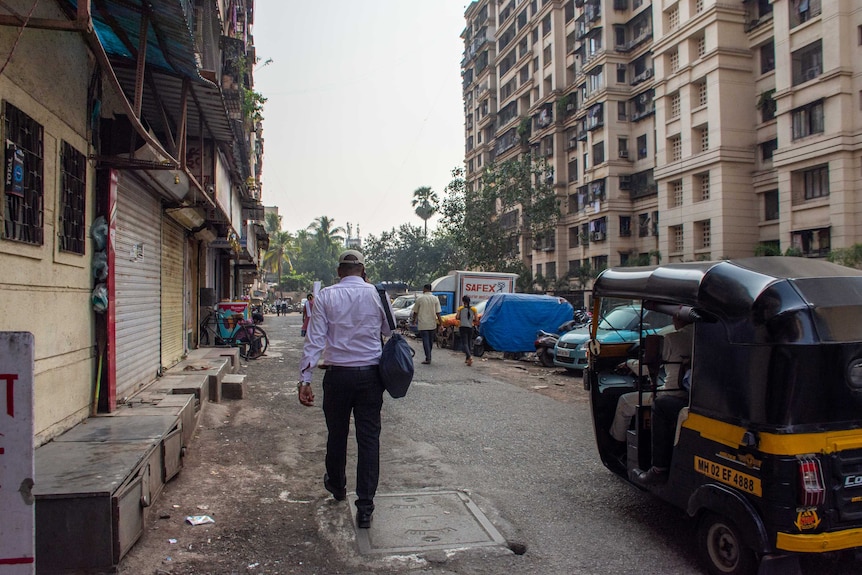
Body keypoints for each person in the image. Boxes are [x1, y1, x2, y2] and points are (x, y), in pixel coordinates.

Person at [297, 250, 393, 529]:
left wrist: (305, 379)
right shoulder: (378, 294)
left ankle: (338, 486)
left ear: (339, 271)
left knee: (337, 435)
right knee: (369, 439)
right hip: (370, 377)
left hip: (337, 376)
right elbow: (390, 330)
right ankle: (365, 507)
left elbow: (314, 340)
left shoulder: (326, 296)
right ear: (363, 270)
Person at [609, 314, 693, 443]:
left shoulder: (672, 338)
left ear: (679, 318)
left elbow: (644, 369)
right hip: (694, 395)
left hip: (673, 394)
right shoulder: (704, 337)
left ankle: (616, 444)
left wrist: (629, 363)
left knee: (624, 401)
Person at [635, 370, 691, 485]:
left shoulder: (673, 351)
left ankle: (659, 469)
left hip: (694, 403)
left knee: (660, 404)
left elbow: (672, 386)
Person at [411, 283, 441, 364]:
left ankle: (428, 357)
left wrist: (413, 320)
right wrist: (441, 323)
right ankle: (429, 355)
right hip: (432, 323)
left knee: (425, 340)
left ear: (425, 289)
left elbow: (415, 312)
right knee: (430, 341)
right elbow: (438, 313)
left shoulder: (420, 299)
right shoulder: (435, 299)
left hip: (423, 323)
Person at [455, 296, 479, 366]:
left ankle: (469, 357)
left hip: (462, 327)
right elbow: (477, 319)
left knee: (465, 343)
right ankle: (467, 358)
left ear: (463, 301)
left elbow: (457, 317)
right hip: (470, 327)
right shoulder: (474, 309)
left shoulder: (460, 308)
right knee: (469, 342)